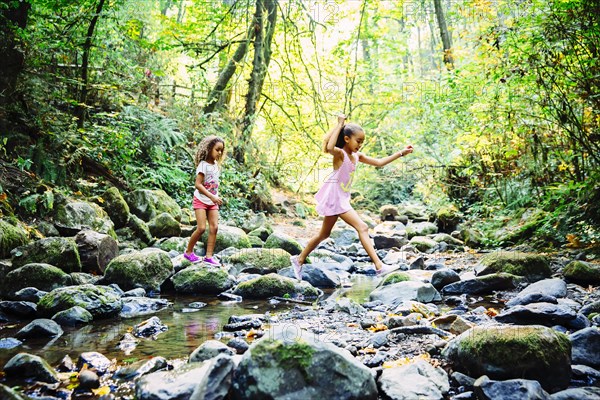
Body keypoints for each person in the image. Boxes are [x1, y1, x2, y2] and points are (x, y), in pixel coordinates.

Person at [291, 114, 414, 280]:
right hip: (335, 198)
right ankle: (379, 266)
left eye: (362, 142)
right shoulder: (340, 154)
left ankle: (298, 259)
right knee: (362, 227)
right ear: (347, 139)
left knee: (324, 234)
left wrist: (401, 153)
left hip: (341, 198)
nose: (360, 144)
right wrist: (339, 124)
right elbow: (328, 147)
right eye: (358, 141)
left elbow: (379, 162)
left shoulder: (357, 156)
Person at [184, 135, 225, 266]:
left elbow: (213, 183)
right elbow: (198, 184)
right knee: (201, 228)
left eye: (221, 151)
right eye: (217, 149)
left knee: (214, 227)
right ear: (209, 148)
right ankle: (189, 252)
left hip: (212, 202)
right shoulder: (203, 165)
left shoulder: (216, 166)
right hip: (200, 200)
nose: (219, 153)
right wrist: (212, 196)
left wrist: (216, 197)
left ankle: (208, 256)